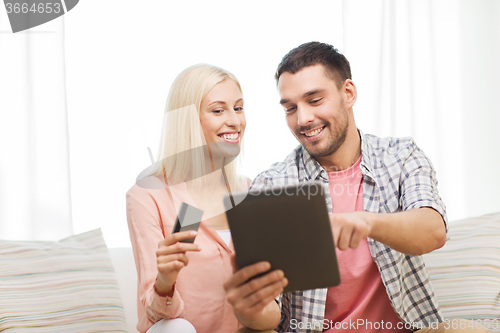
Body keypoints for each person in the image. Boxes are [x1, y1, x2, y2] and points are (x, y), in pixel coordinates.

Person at [224, 42, 488, 333]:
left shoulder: (401, 157)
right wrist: (251, 310)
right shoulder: (272, 184)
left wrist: (366, 221)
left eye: (314, 100)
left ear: (348, 93)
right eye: (290, 108)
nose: (303, 119)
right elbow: (269, 317)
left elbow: (433, 230)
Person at [126, 64, 252, 333]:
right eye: (218, 110)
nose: (235, 121)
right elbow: (155, 317)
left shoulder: (250, 191)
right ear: (188, 121)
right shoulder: (148, 196)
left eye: (238, 108)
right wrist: (165, 281)